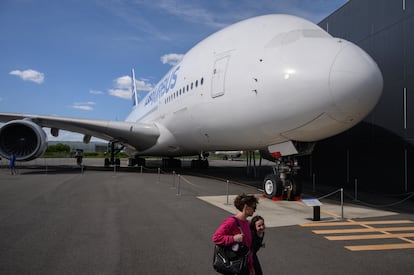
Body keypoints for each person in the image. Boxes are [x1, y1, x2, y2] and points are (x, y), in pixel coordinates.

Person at [212, 193, 259, 275]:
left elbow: (248, 249)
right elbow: (216, 238)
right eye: (254, 207)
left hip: (244, 266)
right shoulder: (231, 222)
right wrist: (233, 238)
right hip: (234, 266)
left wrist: (251, 267)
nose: (254, 210)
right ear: (246, 207)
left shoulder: (246, 223)